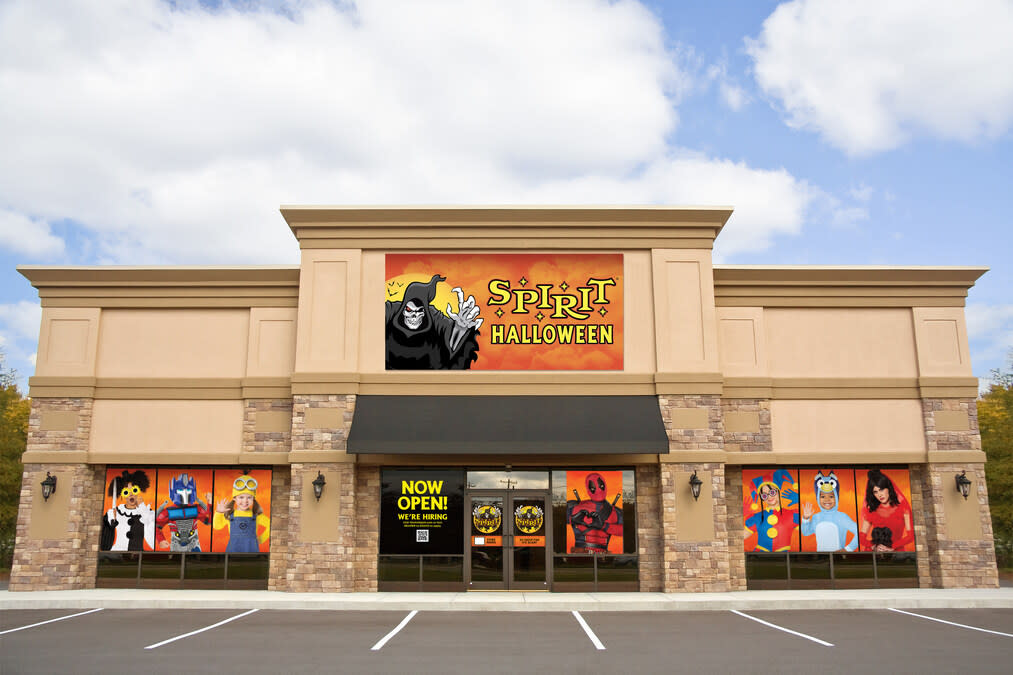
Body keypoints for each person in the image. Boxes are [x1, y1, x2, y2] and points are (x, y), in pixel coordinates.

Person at [801, 470, 858, 552]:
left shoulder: (842, 517)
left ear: (836, 498)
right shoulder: (816, 517)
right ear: (818, 498)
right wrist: (805, 518)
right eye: (823, 496)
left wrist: (848, 549)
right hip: (820, 560)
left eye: (831, 496)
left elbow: (858, 532)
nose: (827, 500)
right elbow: (805, 532)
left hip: (838, 561)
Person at [859, 469, 914, 552]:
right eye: (875, 492)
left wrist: (892, 547)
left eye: (881, 490)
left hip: (896, 551)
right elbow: (861, 537)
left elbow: (911, 536)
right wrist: (872, 546)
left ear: (888, 488)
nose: (879, 494)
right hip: (875, 553)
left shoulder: (903, 508)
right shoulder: (872, 510)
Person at [744, 469, 799, 552]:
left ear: (778, 491)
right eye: (764, 495)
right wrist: (741, 516)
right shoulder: (756, 517)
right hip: (759, 557)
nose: (769, 497)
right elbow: (741, 537)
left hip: (785, 557)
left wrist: (799, 501)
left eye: (772, 492)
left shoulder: (792, 514)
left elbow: (807, 531)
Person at [101, 469, 155, 551]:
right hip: (117, 554)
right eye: (126, 492)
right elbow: (104, 537)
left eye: (134, 490)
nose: (131, 494)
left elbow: (152, 535)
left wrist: (143, 509)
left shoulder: (146, 512)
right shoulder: (115, 512)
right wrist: (111, 523)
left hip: (138, 556)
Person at [214, 474, 270, 553]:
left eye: (249, 497)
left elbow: (270, 525)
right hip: (232, 553)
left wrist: (260, 539)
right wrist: (218, 513)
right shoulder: (230, 514)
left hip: (251, 553)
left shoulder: (256, 515)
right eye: (241, 497)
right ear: (234, 498)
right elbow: (217, 526)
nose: (245, 501)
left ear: (253, 499)